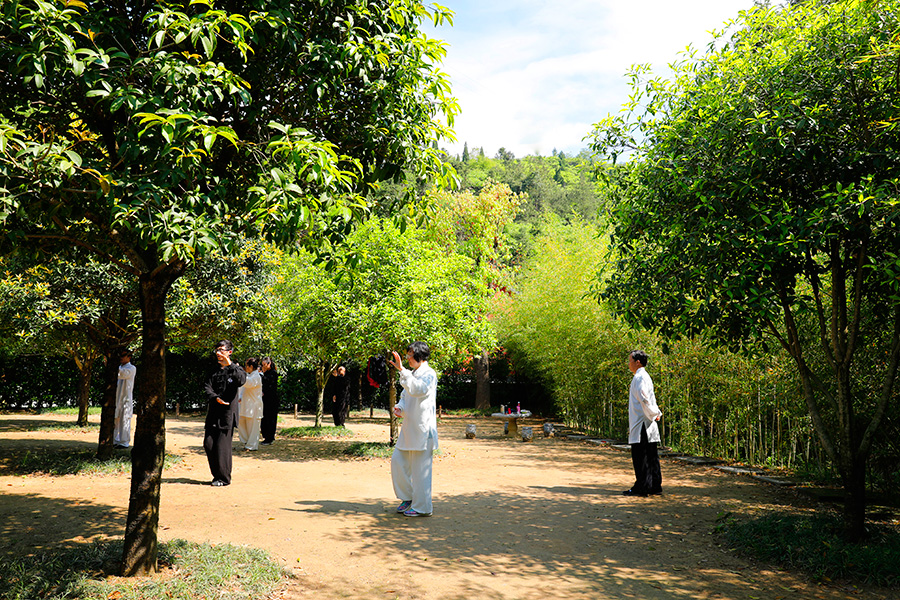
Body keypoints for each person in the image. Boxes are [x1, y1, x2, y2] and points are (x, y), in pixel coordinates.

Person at [388, 341, 439, 517]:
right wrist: (400, 408)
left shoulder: (429, 374)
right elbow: (405, 395)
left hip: (423, 431)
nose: (408, 358)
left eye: (410, 355)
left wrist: (402, 370)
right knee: (397, 462)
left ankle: (422, 507)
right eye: (408, 355)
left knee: (420, 471)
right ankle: (408, 498)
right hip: (408, 429)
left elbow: (418, 390)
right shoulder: (411, 374)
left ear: (419, 355)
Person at [203, 340, 246, 487]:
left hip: (227, 414)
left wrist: (230, 365)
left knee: (222, 448)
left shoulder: (236, 370)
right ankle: (217, 476)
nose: (218, 353)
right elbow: (207, 387)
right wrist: (215, 398)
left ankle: (224, 478)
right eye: (217, 350)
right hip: (213, 411)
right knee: (208, 444)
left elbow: (241, 381)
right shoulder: (213, 371)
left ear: (229, 352)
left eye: (222, 350)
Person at [623, 350, 663, 497]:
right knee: (651, 455)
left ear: (637, 362)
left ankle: (642, 487)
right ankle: (654, 485)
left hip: (642, 424)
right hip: (647, 422)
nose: (629, 364)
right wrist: (656, 412)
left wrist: (654, 413)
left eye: (630, 361)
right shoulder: (645, 376)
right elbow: (650, 399)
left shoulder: (640, 378)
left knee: (641, 457)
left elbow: (645, 399)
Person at [237, 357, 263, 451]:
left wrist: (239, 372)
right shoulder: (250, 376)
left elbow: (248, 383)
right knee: (242, 424)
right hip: (245, 405)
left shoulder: (256, 377)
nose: (245, 368)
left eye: (246, 366)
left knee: (253, 428)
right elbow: (242, 387)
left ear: (251, 366)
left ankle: (252, 446)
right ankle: (246, 442)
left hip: (254, 406)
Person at [114, 349, 136, 449]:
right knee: (115, 419)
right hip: (116, 397)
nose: (121, 358)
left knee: (124, 420)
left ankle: (124, 442)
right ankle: (114, 440)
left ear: (129, 357)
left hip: (125, 398)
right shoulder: (119, 367)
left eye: (123, 355)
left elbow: (123, 374)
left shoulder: (132, 368)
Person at [260, 357, 279, 445]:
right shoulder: (266, 373)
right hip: (264, 399)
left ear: (269, 364)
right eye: (262, 365)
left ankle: (269, 437)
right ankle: (266, 436)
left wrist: (261, 375)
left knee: (270, 418)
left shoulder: (273, 374)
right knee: (264, 418)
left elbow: (268, 382)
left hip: (271, 399)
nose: (263, 367)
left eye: (264, 365)